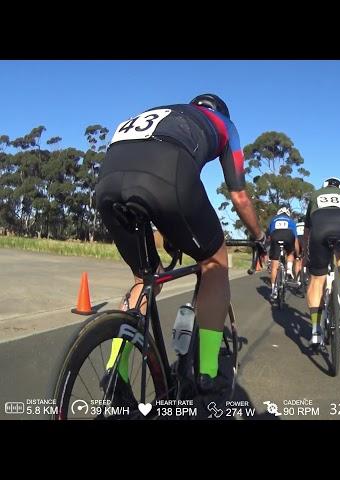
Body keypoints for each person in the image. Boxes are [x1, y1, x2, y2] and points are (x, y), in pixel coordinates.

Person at [96, 93, 267, 408]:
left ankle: (115, 372)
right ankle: (207, 373)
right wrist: (259, 237)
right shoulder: (224, 124)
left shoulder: (162, 111)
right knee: (215, 263)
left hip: (107, 180)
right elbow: (239, 196)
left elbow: (143, 166)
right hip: (166, 174)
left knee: (144, 278)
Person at [303, 177, 340, 345]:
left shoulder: (315, 195)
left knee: (317, 280)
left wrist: (306, 251)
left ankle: (315, 331)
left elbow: (307, 229)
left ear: (324, 186)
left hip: (320, 228)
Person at [266, 207, 299, 300]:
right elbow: (295, 239)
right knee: (290, 252)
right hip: (288, 236)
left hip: (275, 236)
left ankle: (273, 290)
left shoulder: (273, 220)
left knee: (274, 264)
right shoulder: (291, 221)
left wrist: (269, 250)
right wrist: (296, 252)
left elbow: (269, 237)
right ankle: (288, 269)